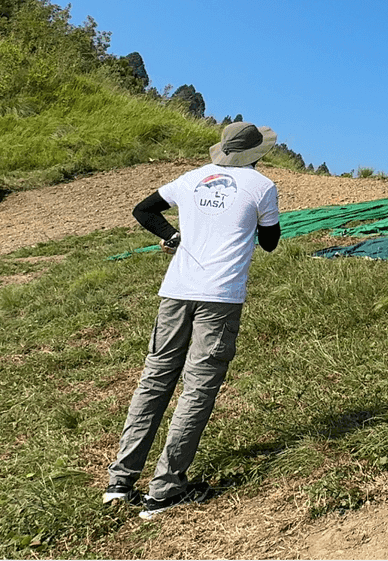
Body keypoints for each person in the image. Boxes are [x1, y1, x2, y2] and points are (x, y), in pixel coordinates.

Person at [106, 121, 282, 520]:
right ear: (256, 154)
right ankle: (165, 489)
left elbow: (144, 209)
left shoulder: (190, 179)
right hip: (219, 298)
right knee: (198, 387)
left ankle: (120, 481)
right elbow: (270, 243)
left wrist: (172, 237)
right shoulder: (262, 187)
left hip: (176, 290)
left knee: (155, 379)